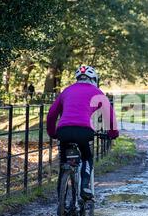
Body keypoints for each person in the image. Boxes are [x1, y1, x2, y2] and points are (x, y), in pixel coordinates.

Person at [46, 65, 119, 200]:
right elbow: (110, 115)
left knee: (63, 163)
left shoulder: (66, 91)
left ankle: (60, 199)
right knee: (87, 157)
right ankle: (85, 186)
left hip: (64, 130)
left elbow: (51, 114)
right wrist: (113, 133)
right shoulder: (97, 92)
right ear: (94, 79)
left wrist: (52, 133)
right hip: (84, 131)